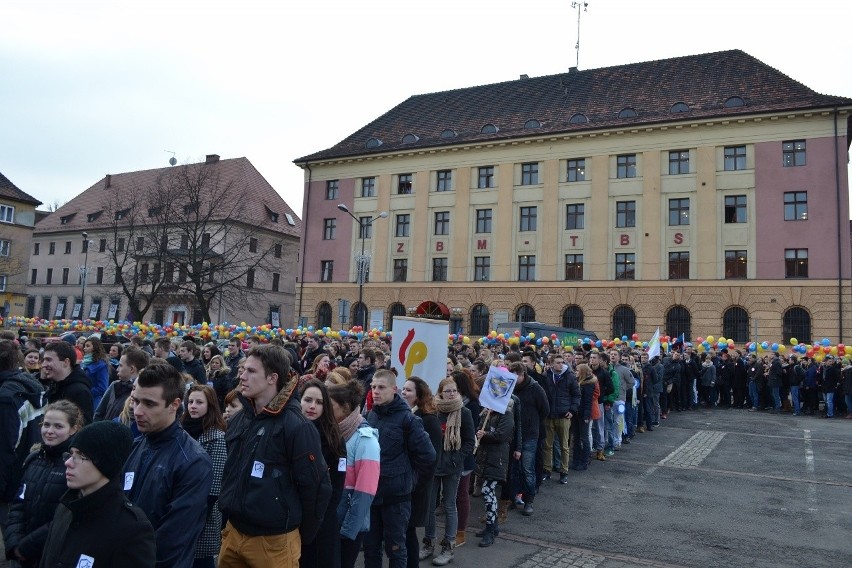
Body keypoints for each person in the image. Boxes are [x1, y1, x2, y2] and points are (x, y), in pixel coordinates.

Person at [218, 344, 332, 567]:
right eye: (243, 370)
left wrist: (298, 534)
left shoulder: (297, 427)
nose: (242, 376)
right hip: (233, 533)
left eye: (251, 371)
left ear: (272, 378)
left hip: (273, 542)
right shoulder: (241, 419)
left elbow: (316, 487)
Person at [123, 360, 213, 568]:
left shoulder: (193, 461)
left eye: (149, 404)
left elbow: (174, 538)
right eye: (136, 401)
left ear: (174, 405)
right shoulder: (135, 446)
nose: (137, 411)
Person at [39, 421, 156, 567]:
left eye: (81, 455)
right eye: (70, 454)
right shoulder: (66, 508)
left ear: (106, 463)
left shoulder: (131, 527)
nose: (68, 462)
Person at [364, 369, 436, 568]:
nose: (375, 391)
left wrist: (410, 481)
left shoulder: (409, 420)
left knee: (396, 550)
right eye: (373, 387)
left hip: (396, 498)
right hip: (372, 495)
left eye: (381, 387)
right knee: (371, 549)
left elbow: (428, 457)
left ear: (394, 390)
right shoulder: (371, 416)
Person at [4, 401, 84, 567]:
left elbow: (67, 517)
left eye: (58, 426)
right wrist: (15, 542)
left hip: (53, 555)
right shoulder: (33, 459)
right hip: (22, 554)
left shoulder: (78, 466)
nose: (49, 431)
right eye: (46, 425)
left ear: (73, 429)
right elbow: (19, 504)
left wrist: (29, 545)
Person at [328, 380, 380, 568]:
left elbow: (366, 491)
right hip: (332, 520)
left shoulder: (365, 439)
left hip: (348, 526)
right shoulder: (333, 433)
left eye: (330, 407)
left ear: (346, 407)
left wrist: (349, 530)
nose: (326, 411)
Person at [426, 377, 475, 565]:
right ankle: (428, 542)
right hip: (433, 466)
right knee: (430, 506)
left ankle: (449, 546)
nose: (452, 394)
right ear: (440, 393)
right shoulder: (433, 410)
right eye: (447, 391)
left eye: (454, 391)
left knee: (449, 505)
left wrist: (456, 459)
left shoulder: (464, 412)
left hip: (452, 467)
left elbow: (470, 441)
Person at [299, 379, 346, 568]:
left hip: (323, 521)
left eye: (318, 402)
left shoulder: (335, 439)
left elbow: (337, 485)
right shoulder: (289, 432)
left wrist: (318, 517)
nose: (312, 406)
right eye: (308, 400)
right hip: (291, 520)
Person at [181, 384, 227, 568]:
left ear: (210, 405)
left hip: (203, 515)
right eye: (191, 401)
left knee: (200, 561)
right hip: (180, 507)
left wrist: (196, 522)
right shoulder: (180, 430)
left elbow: (214, 488)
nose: (193, 406)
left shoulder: (216, 437)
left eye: (199, 402)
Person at [399, 377, 441, 565]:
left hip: (416, 486)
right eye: (403, 389)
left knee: (409, 531)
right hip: (403, 483)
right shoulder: (403, 415)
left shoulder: (428, 420)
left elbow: (431, 459)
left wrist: (415, 482)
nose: (403, 392)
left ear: (418, 395)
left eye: (408, 390)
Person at [474, 395, 515, 547]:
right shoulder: (487, 414)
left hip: (497, 459)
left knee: (487, 491)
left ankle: (491, 529)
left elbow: (501, 435)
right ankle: (492, 526)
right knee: (487, 493)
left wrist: (484, 435)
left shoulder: (507, 414)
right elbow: (479, 428)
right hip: (486, 458)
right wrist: (480, 432)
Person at [508, 361, 548, 514]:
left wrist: (533, 422)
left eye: (514, 376)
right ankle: (513, 497)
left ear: (521, 374)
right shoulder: (510, 388)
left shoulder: (535, 388)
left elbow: (545, 410)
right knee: (513, 469)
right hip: (512, 433)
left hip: (530, 434)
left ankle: (529, 499)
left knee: (527, 469)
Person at [540, 353, 580, 484]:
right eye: (557, 362)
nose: (560, 364)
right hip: (549, 415)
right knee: (547, 445)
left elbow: (576, 395)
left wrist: (572, 410)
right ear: (551, 364)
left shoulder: (569, 376)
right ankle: (547, 470)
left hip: (564, 415)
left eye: (561, 362)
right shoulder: (546, 376)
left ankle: (564, 471)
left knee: (564, 446)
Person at [41, 341, 93, 424]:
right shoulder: (53, 383)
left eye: (48, 360)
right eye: (44, 360)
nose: (43, 364)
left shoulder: (79, 391)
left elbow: (83, 427)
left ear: (66, 362)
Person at [94, 347, 149, 422]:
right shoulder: (115, 385)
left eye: (120, 365)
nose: (117, 369)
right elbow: (99, 413)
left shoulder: (141, 393)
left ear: (132, 369)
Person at [571, 363, 599, 471]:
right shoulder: (577, 382)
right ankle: (575, 461)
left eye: (577, 370)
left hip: (583, 414)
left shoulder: (588, 384)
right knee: (576, 438)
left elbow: (588, 401)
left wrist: (587, 416)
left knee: (584, 438)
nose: (575, 372)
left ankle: (584, 461)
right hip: (576, 413)